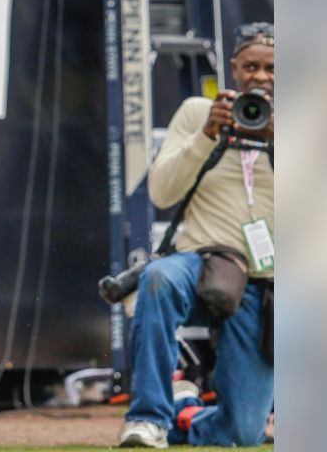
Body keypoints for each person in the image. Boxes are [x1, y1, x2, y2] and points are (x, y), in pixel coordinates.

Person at [117, 23, 275, 448]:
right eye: (252, 67)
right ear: (234, 69)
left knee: (243, 432)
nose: (261, 77)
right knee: (159, 277)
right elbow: (161, 191)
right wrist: (207, 135)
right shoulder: (197, 111)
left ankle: (184, 412)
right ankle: (148, 416)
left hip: (266, 281)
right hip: (203, 260)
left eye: (272, 69)